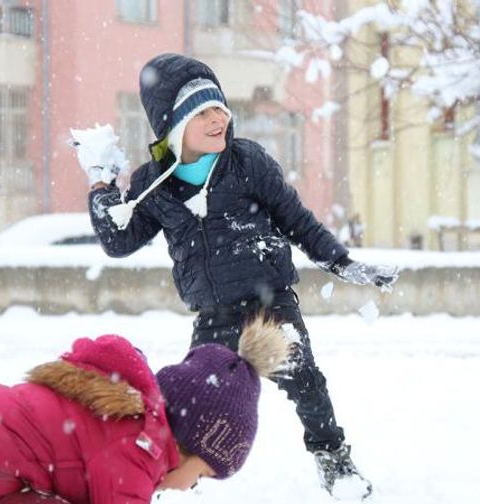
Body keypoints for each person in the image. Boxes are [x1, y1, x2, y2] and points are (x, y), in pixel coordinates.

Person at [72, 52, 399, 499]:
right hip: (214, 314)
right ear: (173, 126)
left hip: (270, 304)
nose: (217, 120)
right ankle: (167, 472)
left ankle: (333, 460)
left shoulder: (246, 162)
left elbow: (296, 220)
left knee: (306, 383)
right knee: (187, 404)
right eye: (202, 113)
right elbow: (119, 241)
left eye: (220, 109)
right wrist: (101, 185)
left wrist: (342, 262)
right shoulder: (155, 183)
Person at [0, 317, 290, 503]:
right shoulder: (138, 447)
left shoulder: (125, 417)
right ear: (187, 442)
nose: (192, 486)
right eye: (203, 474)